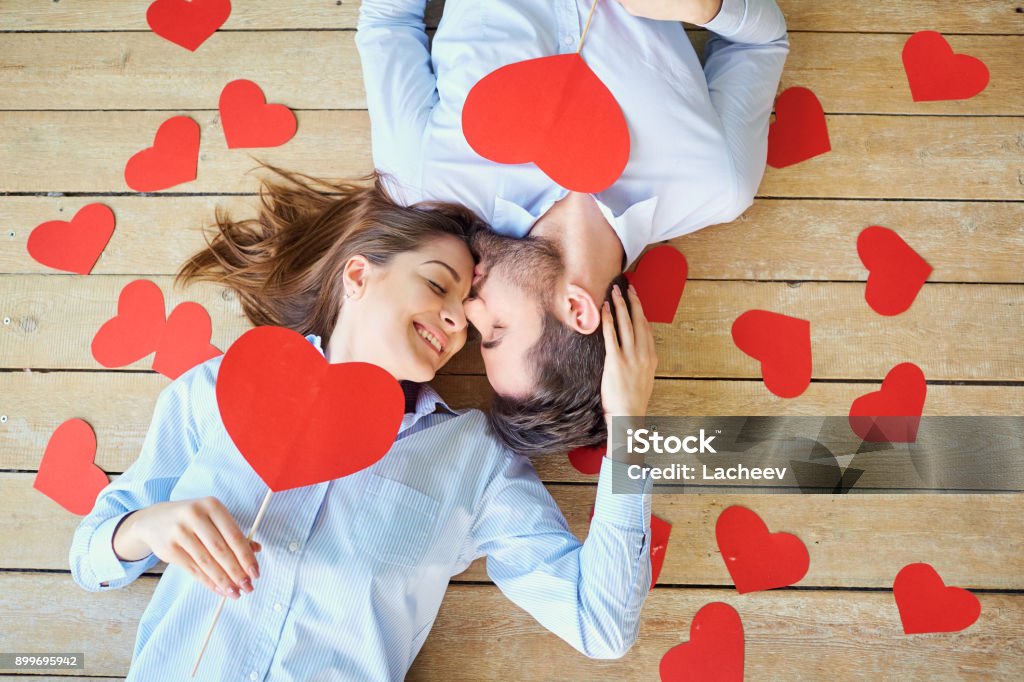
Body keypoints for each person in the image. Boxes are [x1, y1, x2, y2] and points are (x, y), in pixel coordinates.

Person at [69, 168, 658, 680]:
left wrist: (629, 426)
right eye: (437, 284)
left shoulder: (473, 463)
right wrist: (145, 529)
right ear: (358, 276)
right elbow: (90, 558)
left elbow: (601, 625)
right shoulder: (216, 389)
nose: (457, 319)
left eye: (471, 322)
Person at [357, 0, 789, 454]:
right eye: (496, 330)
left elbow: (387, 20)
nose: (469, 310)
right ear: (577, 309)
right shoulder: (717, 183)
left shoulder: (425, 182)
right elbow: (764, 40)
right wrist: (709, 8)